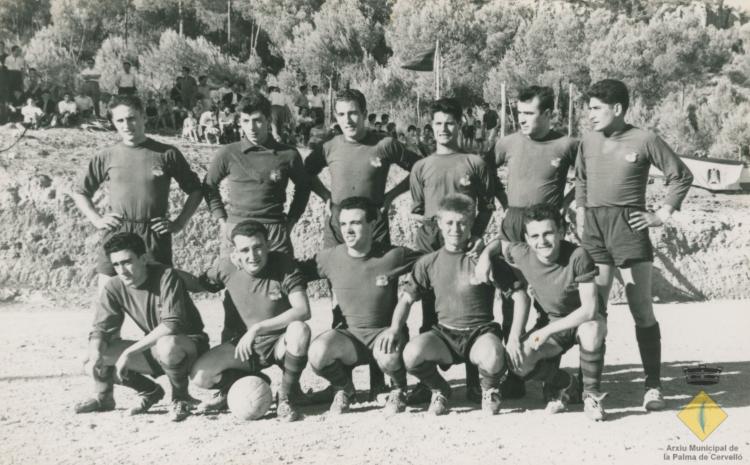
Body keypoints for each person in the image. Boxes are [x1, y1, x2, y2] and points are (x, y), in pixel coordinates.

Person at [575, 79, 693, 411]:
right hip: (595, 230)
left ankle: (653, 387)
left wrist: (662, 214)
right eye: (589, 108)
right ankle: (591, 391)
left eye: (596, 108)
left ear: (618, 109)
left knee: (641, 309)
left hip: (629, 229)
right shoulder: (587, 140)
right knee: (594, 310)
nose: (590, 115)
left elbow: (680, 175)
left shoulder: (645, 139)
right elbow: (581, 179)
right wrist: (583, 213)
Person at [304, 88, 420, 396]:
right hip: (338, 231)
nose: (347, 120)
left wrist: (392, 196)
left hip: (374, 229)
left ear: (365, 111)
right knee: (341, 302)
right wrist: (326, 196)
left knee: (379, 301)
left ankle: (381, 380)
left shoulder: (384, 144)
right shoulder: (329, 146)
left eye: (353, 113)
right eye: (340, 114)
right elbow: (304, 173)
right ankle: (342, 382)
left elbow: (419, 169)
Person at [391, 194, 528, 416]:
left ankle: (489, 388)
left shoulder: (484, 260)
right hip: (445, 334)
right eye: (449, 223)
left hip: (480, 333)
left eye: (462, 222)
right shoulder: (428, 262)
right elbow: (406, 299)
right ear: (439, 223)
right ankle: (440, 389)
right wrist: (395, 329)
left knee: (494, 354)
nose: (456, 228)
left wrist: (514, 337)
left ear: (472, 223)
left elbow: (521, 297)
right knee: (411, 354)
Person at [488, 85, 580, 399]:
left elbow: (589, 178)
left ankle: (549, 371)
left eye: (529, 113)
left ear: (548, 114)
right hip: (514, 222)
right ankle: (513, 371)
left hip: (547, 224)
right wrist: (504, 201)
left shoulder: (566, 144)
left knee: (548, 294)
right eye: (519, 113)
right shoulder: (509, 142)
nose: (522, 119)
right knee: (511, 294)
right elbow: (486, 170)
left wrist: (565, 204)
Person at [476, 204, 608, 421]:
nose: (542, 241)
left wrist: (547, 331)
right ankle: (567, 384)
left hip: (583, 320)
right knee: (517, 360)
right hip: (553, 323)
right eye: (535, 236)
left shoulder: (578, 255)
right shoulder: (523, 253)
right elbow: (499, 244)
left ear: (561, 232)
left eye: (548, 233)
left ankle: (591, 396)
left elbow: (589, 310)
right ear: (527, 239)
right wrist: (484, 258)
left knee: (591, 331)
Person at [300, 197, 422, 415]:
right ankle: (345, 389)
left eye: (355, 223)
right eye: (344, 223)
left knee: (388, 355)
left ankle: (398, 389)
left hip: (384, 336)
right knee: (317, 353)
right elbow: (295, 272)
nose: (348, 229)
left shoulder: (392, 256)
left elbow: (431, 262)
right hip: (350, 339)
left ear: (372, 224)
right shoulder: (330, 258)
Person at [408, 97, 495, 404]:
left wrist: (477, 237)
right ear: (430, 128)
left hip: (466, 243)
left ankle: (475, 381)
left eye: (450, 123)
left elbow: (487, 206)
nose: (444, 129)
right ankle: (430, 383)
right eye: (438, 123)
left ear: (460, 126)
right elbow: (418, 210)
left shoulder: (474, 163)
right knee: (429, 308)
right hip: (432, 243)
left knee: (471, 307)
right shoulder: (421, 167)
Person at [71, 95, 203, 294]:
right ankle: (106, 326)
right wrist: (97, 219)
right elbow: (80, 191)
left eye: (132, 118)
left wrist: (179, 223)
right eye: (120, 120)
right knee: (107, 294)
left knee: (160, 294)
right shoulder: (107, 155)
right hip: (118, 230)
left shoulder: (166, 153)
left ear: (143, 117)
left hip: (153, 232)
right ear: (114, 122)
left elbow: (196, 190)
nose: (127, 125)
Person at [74, 232, 209, 422]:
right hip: (154, 347)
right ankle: (124, 395)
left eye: (127, 262)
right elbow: (101, 329)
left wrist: (128, 353)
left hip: (188, 346)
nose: (122, 270)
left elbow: (172, 325)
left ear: (144, 259)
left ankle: (181, 397)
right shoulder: (114, 286)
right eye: (116, 264)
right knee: (92, 359)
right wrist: (95, 350)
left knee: (167, 345)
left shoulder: (166, 275)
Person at [190, 220, 312, 422]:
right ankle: (245, 383)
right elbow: (199, 283)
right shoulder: (227, 267)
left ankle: (287, 396)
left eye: (257, 247)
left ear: (268, 245)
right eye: (244, 250)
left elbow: (303, 310)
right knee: (199, 376)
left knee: (300, 330)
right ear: (235, 252)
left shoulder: (284, 264)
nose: (252, 256)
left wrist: (257, 328)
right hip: (246, 347)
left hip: (279, 342)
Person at [204, 92, 311, 259]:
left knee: (282, 282)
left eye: (257, 121)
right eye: (246, 121)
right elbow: (209, 185)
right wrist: (222, 220)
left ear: (268, 120)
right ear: (239, 122)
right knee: (234, 281)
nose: (251, 128)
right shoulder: (227, 153)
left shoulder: (288, 154)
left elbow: (304, 187)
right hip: (236, 227)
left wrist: (290, 222)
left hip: (274, 231)